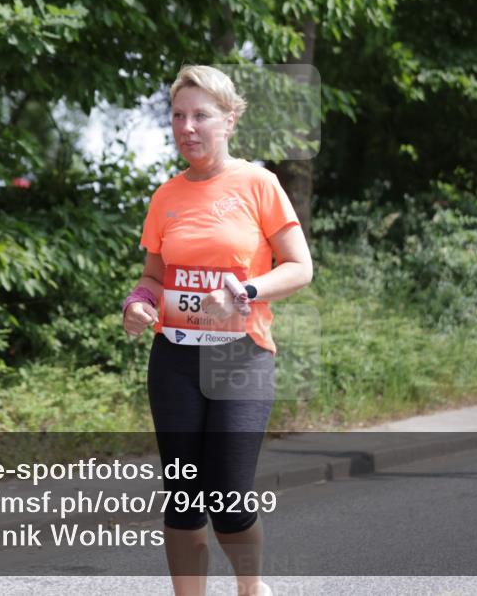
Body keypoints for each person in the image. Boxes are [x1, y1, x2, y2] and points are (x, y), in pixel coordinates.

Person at [123, 65, 313, 596]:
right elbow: (154, 277)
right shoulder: (166, 196)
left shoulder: (258, 183)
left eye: (201, 116)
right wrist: (138, 304)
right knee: (182, 495)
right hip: (175, 354)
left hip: (239, 353)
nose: (187, 127)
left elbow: (299, 267)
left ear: (229, 120)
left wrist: (244, 292)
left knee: (228, 496)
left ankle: (250, 587)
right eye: (178, 116)